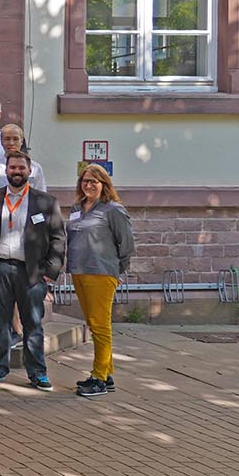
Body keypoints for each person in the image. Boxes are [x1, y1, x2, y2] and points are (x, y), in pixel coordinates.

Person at [0, 150, 66, 390]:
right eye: (12, 167)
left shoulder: (45, 202)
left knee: (33, 323)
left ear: (30, 171)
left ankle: (38, 372)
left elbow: (58, 238)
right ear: (6, 170)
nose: (16, 171)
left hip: (31, 271)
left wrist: (50, 270)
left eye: (21, 168)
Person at [68, 165, 135, 398]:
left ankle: (98, 379)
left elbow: (126, 245)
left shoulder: (113, 210)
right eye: (85, 181)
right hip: (79, 271)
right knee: (93, 323)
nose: (89, 185)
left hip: (101, 273)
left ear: (104, 184)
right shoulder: (77, 208)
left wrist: (116, 270)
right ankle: (107, 374)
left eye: (94, 181)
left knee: (100, 326)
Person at [0, 124, 47, 191]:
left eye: (15, 139)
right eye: (7, 139)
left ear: (21, 141)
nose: (11, 143)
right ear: (1, 141)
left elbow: (41, 194)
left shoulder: (35, 168)